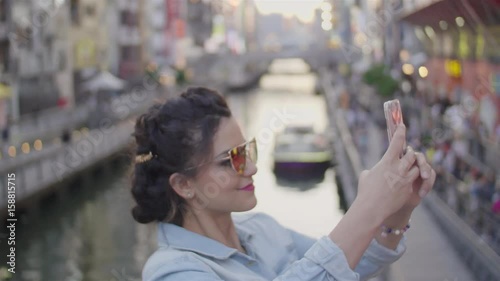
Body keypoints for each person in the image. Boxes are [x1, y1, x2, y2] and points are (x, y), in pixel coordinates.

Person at [131, 87, 436, 281]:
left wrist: (399, 210)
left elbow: (354, 261)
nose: (251, 167)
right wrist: (368, 207)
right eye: (231, 160)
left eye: (247, 151)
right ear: (184, 184)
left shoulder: (262, 228)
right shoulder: (171, 271)